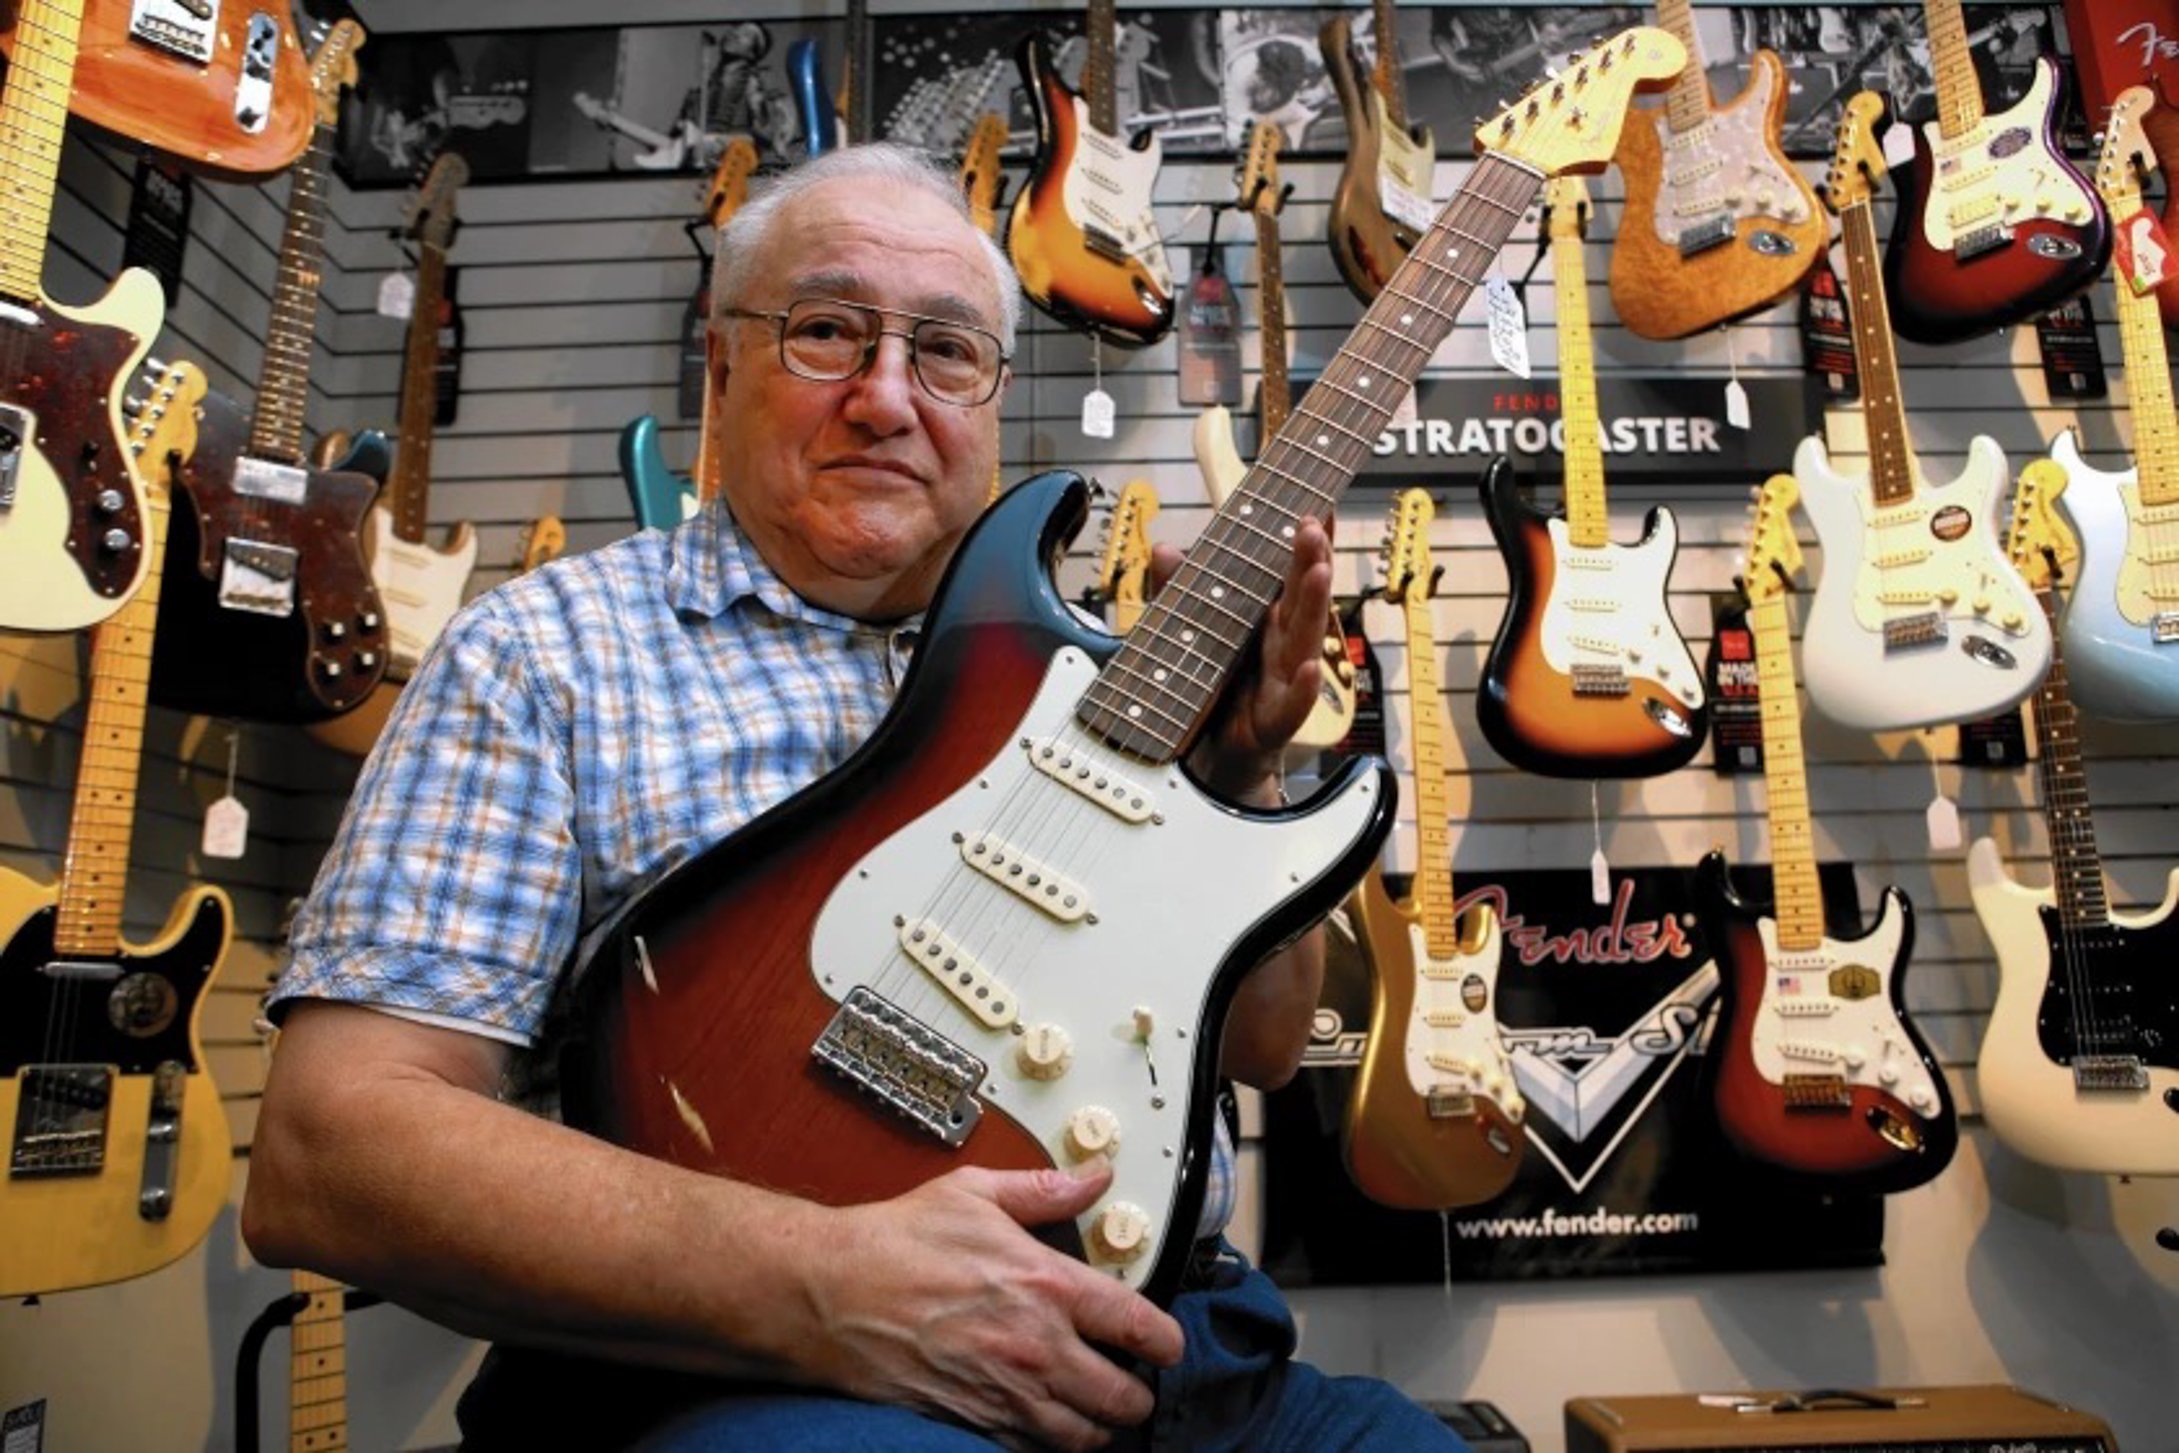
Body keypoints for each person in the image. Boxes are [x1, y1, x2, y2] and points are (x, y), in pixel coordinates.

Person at [243, 143, 1466, 1453]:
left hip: (1182, 1353)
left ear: (994, 398)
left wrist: (1237, 774)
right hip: (746, 1372)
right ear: (722, 368)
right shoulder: (547, 658)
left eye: (945, 351)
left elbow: (1262, 1050)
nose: (887, 398)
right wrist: (832, 1281)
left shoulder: (1110, 684)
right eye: (827, 331)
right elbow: (327, 1156)